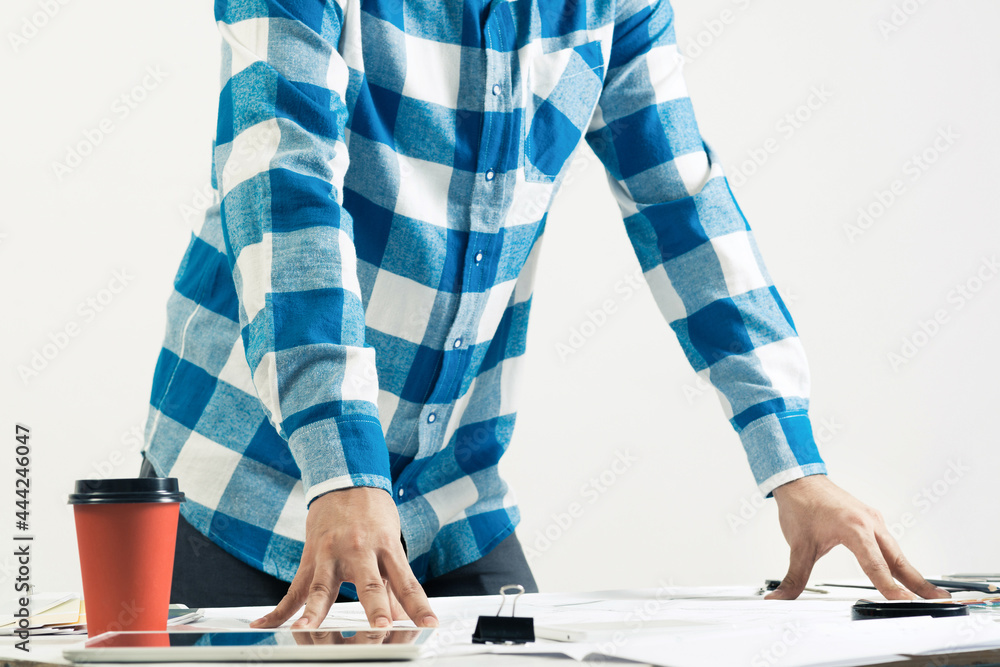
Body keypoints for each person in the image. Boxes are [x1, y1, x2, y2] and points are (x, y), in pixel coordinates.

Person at [140, 0, 949, 631]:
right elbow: (283, 188)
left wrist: (790, 458)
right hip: (245, 486)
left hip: (445, 496)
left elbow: (680, 198)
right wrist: (341, 464)